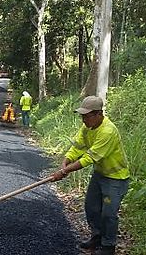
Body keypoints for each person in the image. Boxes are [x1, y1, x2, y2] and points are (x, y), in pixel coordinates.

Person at [48, 96, 130, 255]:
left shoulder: (108, 131)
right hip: (100, 174)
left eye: (87, 116)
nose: (83, 120)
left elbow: (89, 158)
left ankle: (108, 246)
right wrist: (65, 162)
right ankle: (97, 237)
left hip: (116, 178)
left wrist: (64, 171)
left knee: (108, 213)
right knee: (91, 207)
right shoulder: (87, 128)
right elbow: (77, 148)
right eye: (82, 116)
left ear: (99, 114)